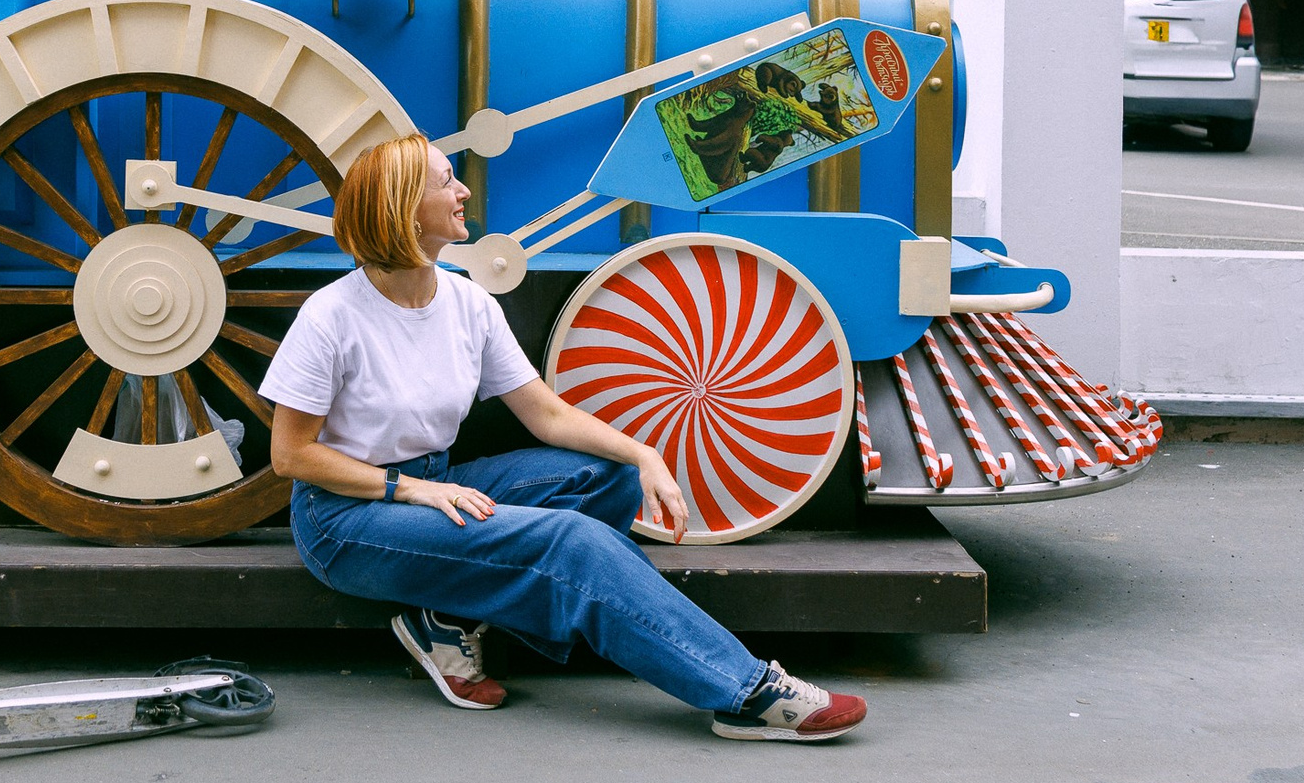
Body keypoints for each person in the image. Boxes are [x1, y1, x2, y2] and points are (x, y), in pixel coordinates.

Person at [257, 131, 869, 742]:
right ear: (400, 209)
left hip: (436, 479)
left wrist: (643, 452)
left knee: (610, 478)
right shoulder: (332, 315)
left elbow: (545, 415)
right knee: (568, 543)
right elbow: (291, 456)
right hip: (346, 517)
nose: (464, 189)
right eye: (446, 180)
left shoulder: (469, 304)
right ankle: (744, 690)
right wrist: (407, 490)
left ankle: (443, 614)